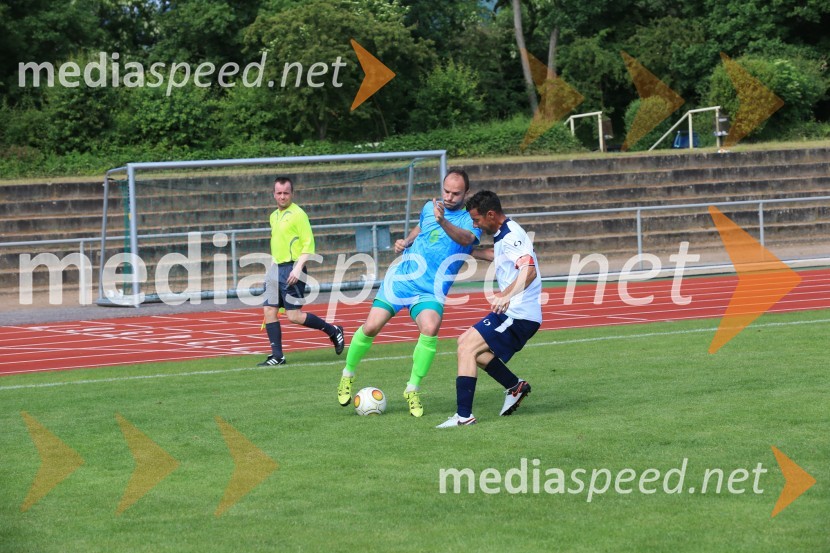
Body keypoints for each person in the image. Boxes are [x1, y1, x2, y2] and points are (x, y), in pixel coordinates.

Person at [337, 170, 482, 416]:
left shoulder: (470, 220)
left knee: (430, 327)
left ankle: (412, 389)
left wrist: (443, 221)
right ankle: (347, 374)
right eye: (446, 190)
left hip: (430, 289)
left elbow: (467, 239)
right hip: (402, 279)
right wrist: (406, 240)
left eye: (455, 193)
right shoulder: (430, 207)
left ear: (466, 193)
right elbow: (420, 227)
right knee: (371, 327)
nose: (448, 196)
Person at [436, 190, 542, 427]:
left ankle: (464, 416)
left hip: (519, 313)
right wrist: (469, 251)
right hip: (514, 312)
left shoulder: (512, 235)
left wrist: (505, 295)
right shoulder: (504, 232)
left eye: (477, 220)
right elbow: (500, 256)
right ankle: (515, 387)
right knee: (474, 351)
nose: (476, 225)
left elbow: (530, 270)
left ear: (491, 214)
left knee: (466, 346)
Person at [258, 176, 345, 366]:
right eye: (279, 193)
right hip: (276, 269)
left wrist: (297, 268)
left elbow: (309, 244)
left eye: (286, 193)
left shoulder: (298, 214)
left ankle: (333, 331)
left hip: (293, 269)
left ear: (292, 194)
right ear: (274, 194)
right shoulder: (273, 216)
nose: (282, 197)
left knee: (294, 316)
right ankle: (277, 356)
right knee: (269, 310)